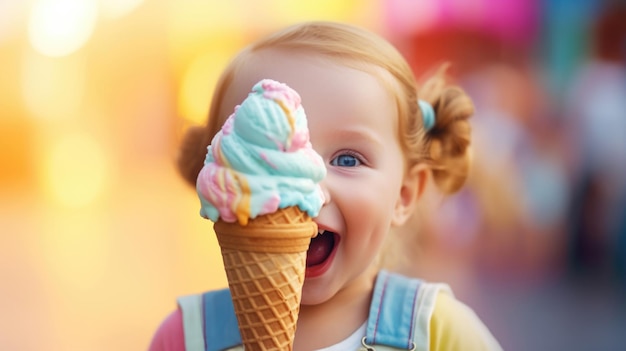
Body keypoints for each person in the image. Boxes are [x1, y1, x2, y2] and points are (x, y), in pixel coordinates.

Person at [149, 21, 502, 351]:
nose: (307, 192)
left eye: (347, 160)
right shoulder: (185, 337)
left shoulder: (439, 331)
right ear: (215, 180)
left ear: (404, 194)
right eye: (267, 155)